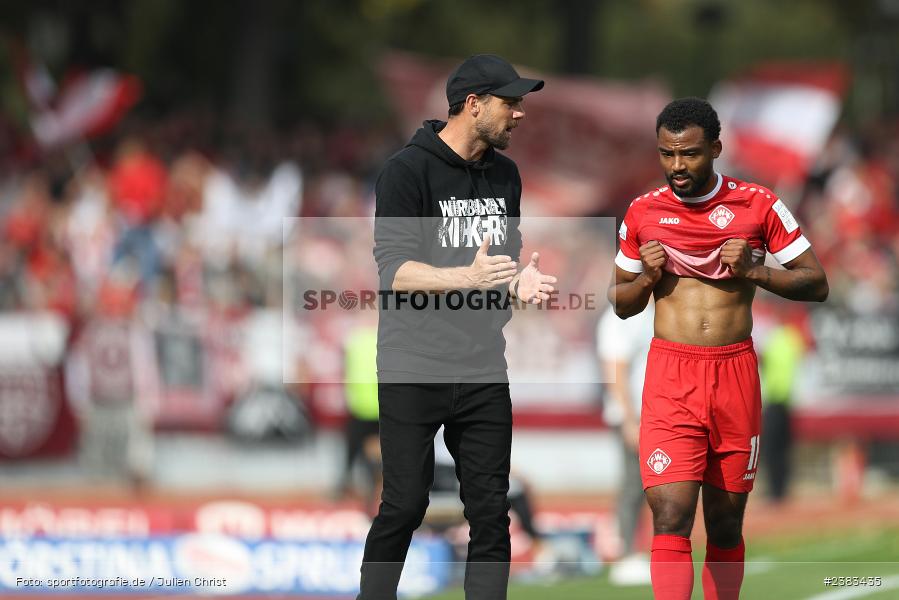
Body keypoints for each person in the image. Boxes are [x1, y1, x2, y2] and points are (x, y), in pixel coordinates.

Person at [607, 97, 828, 600]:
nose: (677, 166)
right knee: (670, 513)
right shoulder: (642, 212)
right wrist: (647, 279)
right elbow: (620, 303)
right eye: (666, 154)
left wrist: (755, 270)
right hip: (670, 374)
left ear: (716, 149)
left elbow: (816, 282)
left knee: (725, 523)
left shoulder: (759, 203)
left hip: (734, 374)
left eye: (689, 154)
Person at [361, 54, 556, 600]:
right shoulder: (406, 171)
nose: (519, 114)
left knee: (493, 511)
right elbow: (395, 271)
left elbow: (501, 266)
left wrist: (516, 284)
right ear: (474, 105)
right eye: (510, 103)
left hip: (482, 365)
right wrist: (467, 276)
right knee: (404, 505)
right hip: (412, 364)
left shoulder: (506, 176)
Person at [597, 300, 654, 585]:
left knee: (652, 485)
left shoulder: (651, 311)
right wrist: (629, 419)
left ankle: (643, 550)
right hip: (633, 413)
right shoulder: (622, 315)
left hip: (653, 413)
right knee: (634, 485)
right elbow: (615, 369)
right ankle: (626, 555)